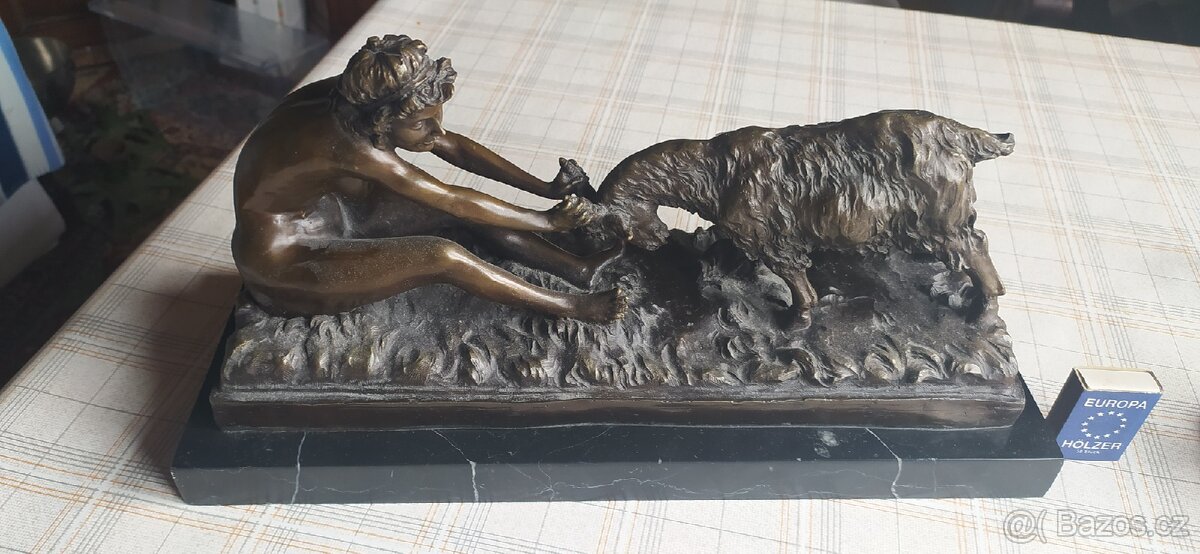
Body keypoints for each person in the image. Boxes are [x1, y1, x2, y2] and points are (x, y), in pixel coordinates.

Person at [232, 35, 626, 322]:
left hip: (333, 208)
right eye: (422, 124)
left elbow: (450, 146)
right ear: (382, 121)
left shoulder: (353, 98)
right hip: (283, 259)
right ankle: (571, 307)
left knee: (471, 213)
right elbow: (451, 199)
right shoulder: (351, 147)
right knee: (443, 256)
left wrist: (543, 188)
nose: (435, 131)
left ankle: (575, 268)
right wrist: (545, 220)